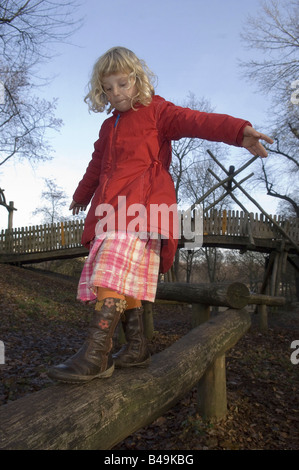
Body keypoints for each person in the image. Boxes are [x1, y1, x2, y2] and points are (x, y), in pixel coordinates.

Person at [48, 46, 273, 383]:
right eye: (108, 88)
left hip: (144, 207)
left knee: (110, 267)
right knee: (127, 277)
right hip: (111, 209)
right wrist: (82, 195)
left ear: (138, 81)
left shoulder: (157, 111)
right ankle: (137, 347)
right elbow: (96, 166)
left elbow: (197, 121)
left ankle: (96, 353)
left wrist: (238, 132)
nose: (117, 93)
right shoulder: (108, 128)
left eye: (123, 84)